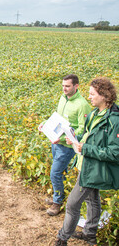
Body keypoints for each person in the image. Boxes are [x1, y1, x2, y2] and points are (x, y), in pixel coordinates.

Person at [55, 77, 119, 246]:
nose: (89, 97)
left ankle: (62, 238)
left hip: (94, 169)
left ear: (104, 96)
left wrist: (86, 148)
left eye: (92, 94)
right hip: (86, 164)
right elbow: (87, 136)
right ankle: (90, 234)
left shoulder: (114, 121)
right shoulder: (94, 114)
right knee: (92, 199)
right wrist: (74, 139)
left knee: (72, 204)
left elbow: (114, 153)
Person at [38, 74, 91, 216]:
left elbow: (83, 129)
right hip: (55, 142)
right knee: (62, 172)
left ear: (76, 86)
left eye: (67, 86)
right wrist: (45, 123)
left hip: (66, 147)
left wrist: (65, 139)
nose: (64, 89)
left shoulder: (82, 105)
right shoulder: (63, 98)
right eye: (63, 86)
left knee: (55, 173)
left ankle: (57, 202)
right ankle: (61, 195)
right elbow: (57, 117)